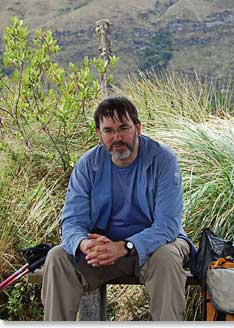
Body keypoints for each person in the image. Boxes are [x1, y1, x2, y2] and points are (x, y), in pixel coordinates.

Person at [41, 96, 197, 321]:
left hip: (153, 248)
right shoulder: (87, 165)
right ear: (99, 134)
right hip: (102, 252)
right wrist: (86, 244)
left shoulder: (163, 161)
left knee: (167, 257)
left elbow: (168, 226)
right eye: (109, 130)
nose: (117, 137)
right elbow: (72, 221)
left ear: (138, 128)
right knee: (57, 257)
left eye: (124, 128)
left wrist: (126, 246)